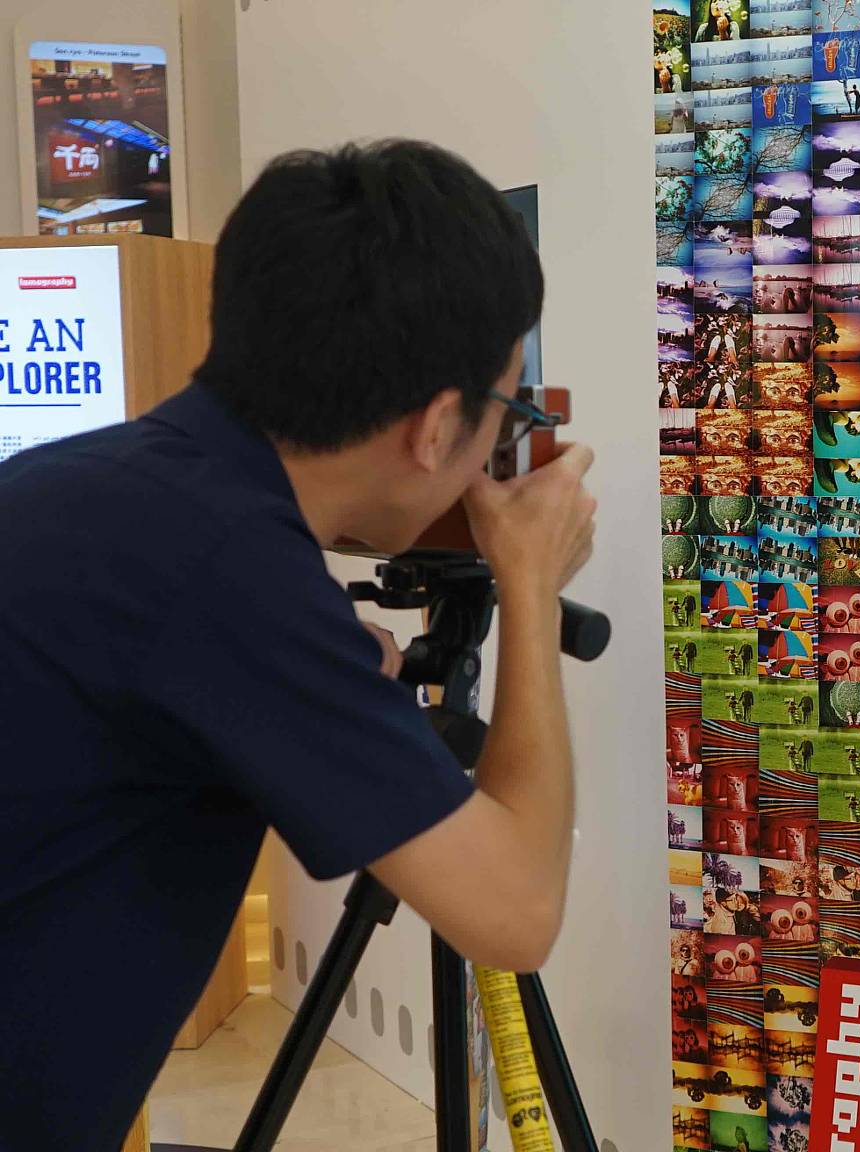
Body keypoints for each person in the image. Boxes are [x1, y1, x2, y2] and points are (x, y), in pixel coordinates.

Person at [0, 142, 597, 1147]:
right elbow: (517, 910)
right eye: (507, 412)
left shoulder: (101, 483)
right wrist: (530, 584)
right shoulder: (229, 574)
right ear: (436, 427)